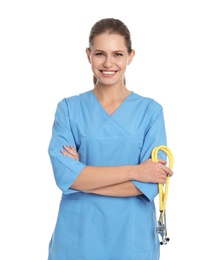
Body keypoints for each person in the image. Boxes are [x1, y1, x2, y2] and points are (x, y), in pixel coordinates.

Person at [47, 17, 174, 260]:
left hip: (132, 240)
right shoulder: (69, 109)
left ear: (130, 56)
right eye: (100, 54)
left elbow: (148, 185)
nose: (108, 63)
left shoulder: (150, 111)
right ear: (88, 55)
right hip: (78, 239)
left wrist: (83, 175)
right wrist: (136, 171)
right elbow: (65, 176)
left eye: (117, 54)